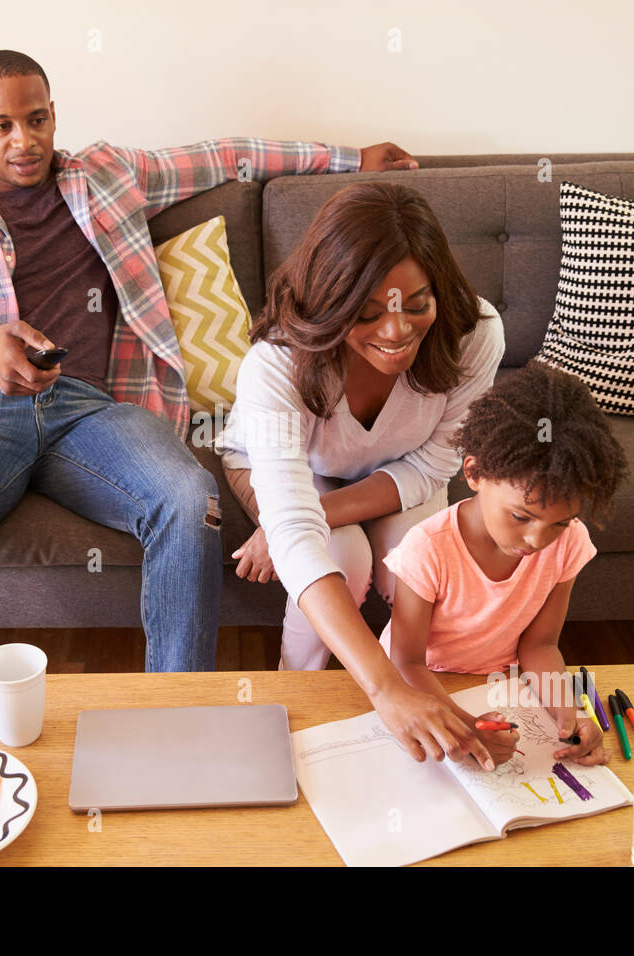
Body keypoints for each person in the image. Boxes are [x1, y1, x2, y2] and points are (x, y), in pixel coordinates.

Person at [0, 49, 421, 675]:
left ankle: (176, 711)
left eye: (37, 119)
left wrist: (351, 160)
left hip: (95, 410)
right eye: (3, 125)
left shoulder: (108, 173)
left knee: (190, 499)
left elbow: (228, 155)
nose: (24, 141)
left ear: (54, 116)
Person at [216, 180, 505, 764]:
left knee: (419, 569)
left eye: (415, 305)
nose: (396, 332)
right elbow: (296, 523)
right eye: (367, 314)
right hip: (292, 468)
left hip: (402, 471)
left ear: (439, 291)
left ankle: (423, 690)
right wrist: (382, 690)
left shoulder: (475, 334)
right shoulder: (276, 362)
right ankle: (295, 689)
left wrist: (297, 521)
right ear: (330, 305)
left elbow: (432, 465)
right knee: (341, 559)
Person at [379, 359, 631, 768]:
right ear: (475, 473)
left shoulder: (568, 544)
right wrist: (462, 728)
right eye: (521, 517)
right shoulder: (427, 548)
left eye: (560, 522)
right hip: (422, 681)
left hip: (500, 686)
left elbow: (541, 644)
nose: (537, 540)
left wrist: (570, 716)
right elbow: (405, 661)